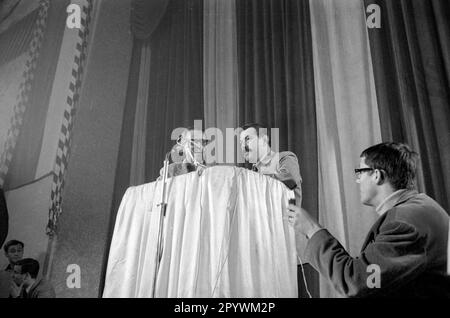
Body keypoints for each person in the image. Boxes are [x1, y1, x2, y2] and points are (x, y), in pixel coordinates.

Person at [288, 142, 450, 297]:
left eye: (360, 172)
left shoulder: (403, 223)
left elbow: (356, 282)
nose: (357, 180)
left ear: (377, 175)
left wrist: (312, 229)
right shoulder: (421, 207)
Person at [239, 123, 307, 260]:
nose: (242, 146)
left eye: (247, 139)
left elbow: (290, 180)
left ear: (264, 139)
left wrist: (251, 179)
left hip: (291, 252)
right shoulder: (251, 173)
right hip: (264, 253)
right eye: (240, 142)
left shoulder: (284, 158)